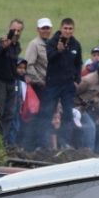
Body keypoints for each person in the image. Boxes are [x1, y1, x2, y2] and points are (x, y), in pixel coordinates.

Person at [38, 17, 82, 149]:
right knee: (47, 112)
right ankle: (43, 144)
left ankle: (65, 143)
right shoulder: (52, 42)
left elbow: (78, 63)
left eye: (70, 29)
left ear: (73, 30)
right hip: (53, 83)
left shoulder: (76, 44)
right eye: (65, 28)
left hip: (68, 85)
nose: (67, 31)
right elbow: (49, 58)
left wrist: (77, 80)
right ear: (61, 28)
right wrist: (58, 51)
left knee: (68, 114)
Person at [0, 18, 24, 141]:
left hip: (11, 81)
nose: (16, 33)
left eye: (19, 30)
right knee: (0, 112)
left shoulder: (17, 46)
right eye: (14, 30)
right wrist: (4, 48)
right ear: (9, 28)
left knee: (10, 113)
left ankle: (3, 141)